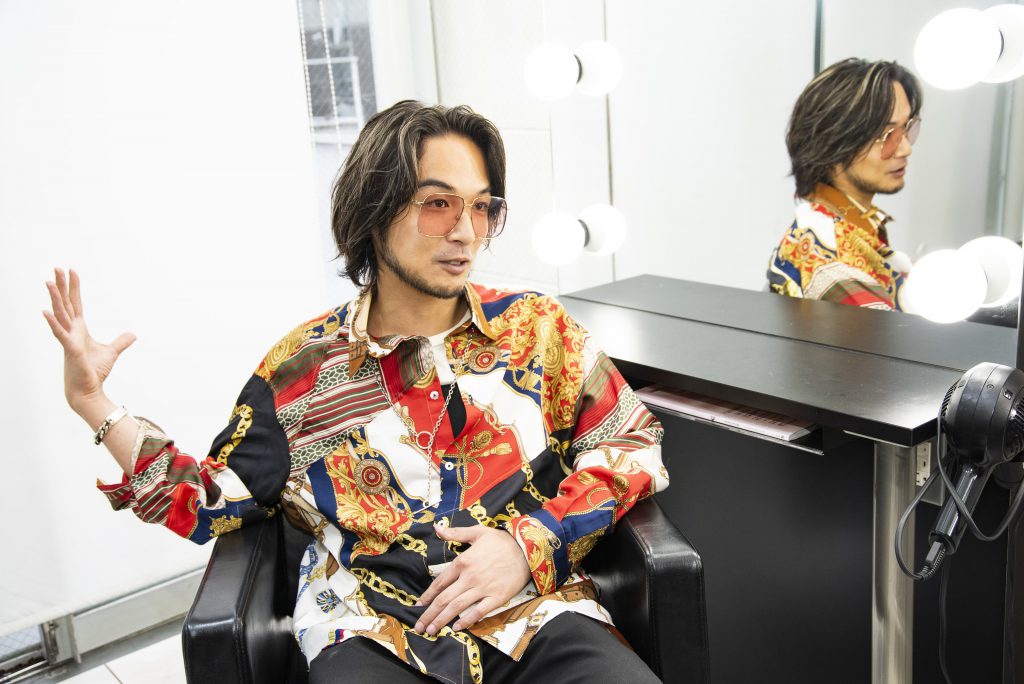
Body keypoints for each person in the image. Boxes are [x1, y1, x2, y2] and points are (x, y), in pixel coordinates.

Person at [43, 101, 668, 684]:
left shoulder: (536, 330)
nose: (466, 231)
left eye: (482, 207)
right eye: (439, 204)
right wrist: (93, 402)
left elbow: (631, 442)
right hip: (370, 630)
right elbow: (209, 499)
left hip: (538, 614)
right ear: (375, 210)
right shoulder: (305, 370)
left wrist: (530, 545)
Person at [767, 58, 923, 310]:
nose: (905, 149)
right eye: (887, 136)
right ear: (834, 144)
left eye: (907, 129)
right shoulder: (835, 266)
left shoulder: (845, 225)